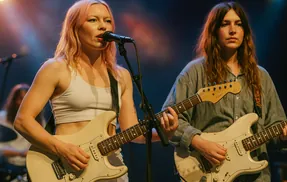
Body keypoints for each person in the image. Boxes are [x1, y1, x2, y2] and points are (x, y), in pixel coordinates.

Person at [13, 0, 178, 182]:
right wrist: (61, 148)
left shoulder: (120, 76)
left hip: (113, 171)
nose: (102, 26)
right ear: (75, 27)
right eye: (93, 20)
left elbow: (131, 131)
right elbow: (23, 121)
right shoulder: (55, 68)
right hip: (70, 167)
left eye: (107, 21)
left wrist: (163, 133)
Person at [162, 1, 287, 182]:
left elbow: (275, 127)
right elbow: (169, 118)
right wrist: (199, 142)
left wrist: (284, 134)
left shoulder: (261, 77)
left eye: (238, 24)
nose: (233, 30)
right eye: (225, 24)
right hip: (208, 174)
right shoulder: (195, 72)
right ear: (214, 31)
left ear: (245, 32)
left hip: (255, 177)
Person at [0, 83, 45, 181]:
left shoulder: (40, 121)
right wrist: (21, 153)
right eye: (21, 99)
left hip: (29, 167)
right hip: (6, 165)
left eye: (27, 99)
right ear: (14, 100)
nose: (23, 103)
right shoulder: (2, 118)